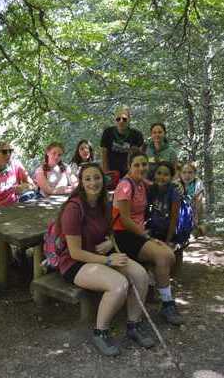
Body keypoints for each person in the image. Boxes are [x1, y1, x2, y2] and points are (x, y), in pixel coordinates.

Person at [56, 162, 155, 356]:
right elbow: (75, 252)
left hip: (100, 255)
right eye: (88, 178)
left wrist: (110, 243)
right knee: (118, 285)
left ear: (103, 179)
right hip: (76, 263)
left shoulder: (104, 204)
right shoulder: (73, 208)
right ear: (81, 183)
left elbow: (110, 233)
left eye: (97, 177)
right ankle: (100, 332)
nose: (93, 182)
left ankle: (134, 325)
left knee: (140, 275)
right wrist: (109, 261)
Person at [112, 149, 183, 326]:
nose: (141, 167)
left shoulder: (141, 183)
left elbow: (160, 184)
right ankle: (167, 304)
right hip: (124, 235)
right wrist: (146, 236)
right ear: (129, 166)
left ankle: (165, 301)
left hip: (138, 233)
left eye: (144, 164)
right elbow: (125, 219)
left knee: (167, 255)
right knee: (164, 255)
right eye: (136, 164)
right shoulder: (125, 185)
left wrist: (178, 182)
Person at [0, 141, 36, 207]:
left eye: (10, 151)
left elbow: (33, 185)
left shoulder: (16, 165)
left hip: (16, 206)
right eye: (4, 152)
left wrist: (24, 187)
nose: (8, 154)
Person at [100, 105, 144, 178]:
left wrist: (131, 174)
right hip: (111, 171)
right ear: (114, 120)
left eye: (124, 119)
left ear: (129, 119)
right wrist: (106, 173)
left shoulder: (136, 135)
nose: (121, 121)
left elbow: (138, 157)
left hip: (130, 172)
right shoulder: (107, 133)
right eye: (118, 119)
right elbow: (104, 154)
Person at [146, 161, 181, 247]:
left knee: (173, 255)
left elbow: (174, 218)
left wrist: (168, 241)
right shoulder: (152, 189)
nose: (161, 177)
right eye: (159, 173)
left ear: (171, 177)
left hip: (170, 233)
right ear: (154, 175)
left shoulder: (174, 191)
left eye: (166, 175)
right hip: (154, 230)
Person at [178, 162, 206, 236]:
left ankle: (197, 226)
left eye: (190, 172)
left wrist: (196, 218)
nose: (187, 175)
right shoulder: (177, 183)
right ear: (180, 174)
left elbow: (199, 201)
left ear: (195, 174)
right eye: (184, 172)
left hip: (194, 209)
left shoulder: (198, 183)